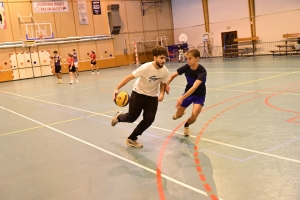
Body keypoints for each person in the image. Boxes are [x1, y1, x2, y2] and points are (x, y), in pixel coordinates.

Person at [111, 45, 169, 148]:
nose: (163, 60)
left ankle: (131, 138)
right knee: (132, 118)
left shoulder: (165, 71)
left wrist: (162, 93)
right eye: (161, 58)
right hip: (138, 93)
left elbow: (163, 84)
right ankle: (118, 117)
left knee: (149, 119)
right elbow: (129, 77)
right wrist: (116, 88)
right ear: (154, 57)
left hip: (152, 96)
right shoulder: (145, 68)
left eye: (165, 58)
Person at [165, 49, 207, 137]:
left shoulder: (202, 71)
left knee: (194, 115)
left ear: (197, 58)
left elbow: (194, 87)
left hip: (199, 95)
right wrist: (167, 84)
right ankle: (180, 112)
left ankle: (187, 125)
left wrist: (182, 97)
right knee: (177, 116)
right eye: (187, 58)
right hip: (188, 93)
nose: (188, 60)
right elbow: (173, 75)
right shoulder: (186, 67)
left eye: (190, 58)